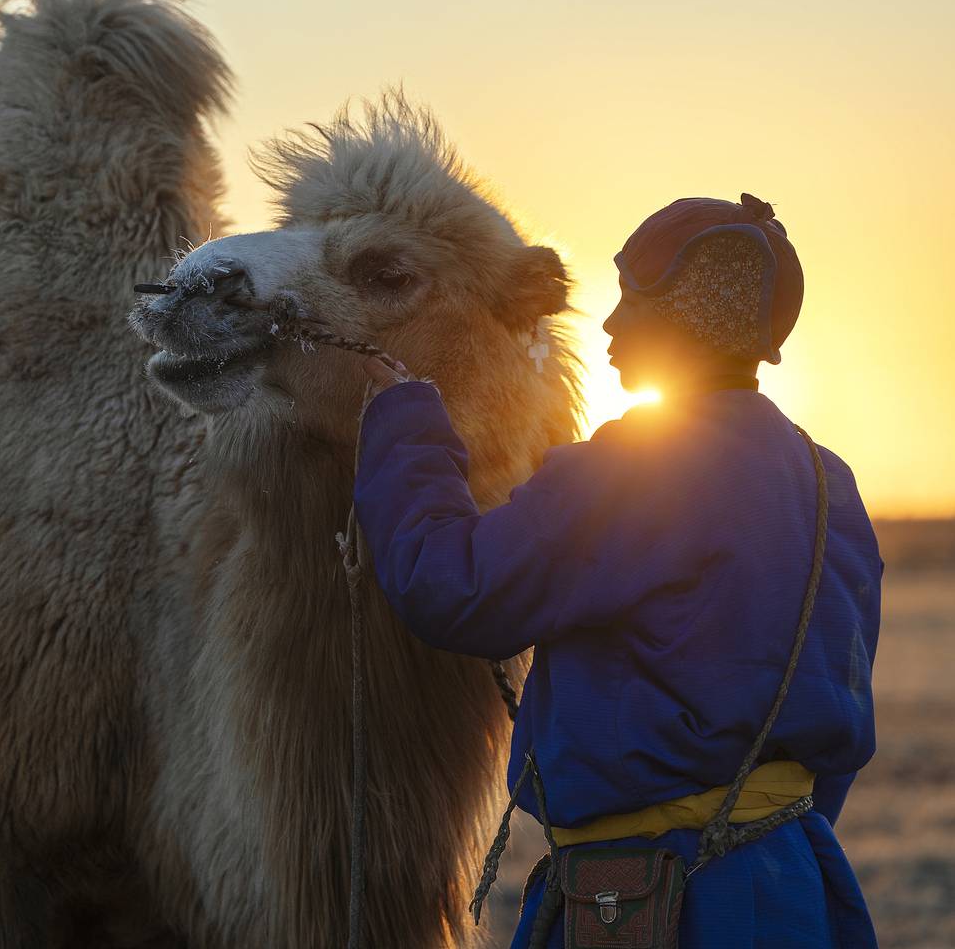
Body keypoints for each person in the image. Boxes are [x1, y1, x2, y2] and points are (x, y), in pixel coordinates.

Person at [352, 194, 880, 947]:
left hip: (652, 900)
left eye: (632, 298)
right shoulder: (831, 485)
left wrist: (403, 420)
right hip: (794, 881)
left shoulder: (635, 469)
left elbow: (451, 587)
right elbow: (837, 716)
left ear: (688, 316)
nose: (608, 322)